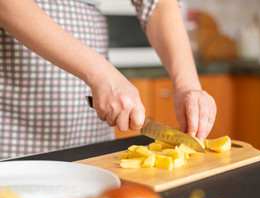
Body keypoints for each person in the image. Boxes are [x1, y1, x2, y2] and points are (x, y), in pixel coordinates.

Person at [0, 0, 217, 159]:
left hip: (92, 124)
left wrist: (187, 85)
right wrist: (101, 73)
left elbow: (157, 3)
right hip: (15, 118)